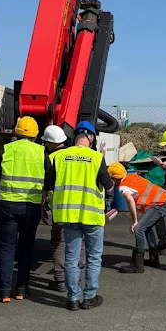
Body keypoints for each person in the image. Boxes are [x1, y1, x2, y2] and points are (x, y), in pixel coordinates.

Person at [49, 121, 113, 310]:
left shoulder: (59, 156)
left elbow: (50, 184)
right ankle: (89, 297)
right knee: (93, 257)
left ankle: (72, 299)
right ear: (91, 138)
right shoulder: (96, 158)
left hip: (69, 215)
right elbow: (109, 186)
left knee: (71, 257)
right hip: (92, 217)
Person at [0, 116, 53, 303]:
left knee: (7, 247)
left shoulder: (6, 150)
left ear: (16, 132)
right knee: (26, 248)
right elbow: (50, 180)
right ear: (35, 135)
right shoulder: (41, 152)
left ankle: (4, 291)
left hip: (8, 205)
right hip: (31, 206)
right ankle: (21, 289)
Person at [107, 163, 166, 274]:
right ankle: (154, 259)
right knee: (146, 229)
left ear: (114, 178)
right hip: (163, 200)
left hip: (159, 204)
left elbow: (130, 200)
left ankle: (138, 265)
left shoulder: (123, 187)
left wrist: (134, 221)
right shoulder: (133, 176)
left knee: (138, 229)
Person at [41, 125, 69, 292]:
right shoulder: (72, 155)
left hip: (59, 209)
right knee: (76, 244)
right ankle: (74, 278)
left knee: (59, 242)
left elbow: (46, 186)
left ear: (50, 143)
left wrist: (43, 207)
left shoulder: (50, 159)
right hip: (79, 208)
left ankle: (60, 280)